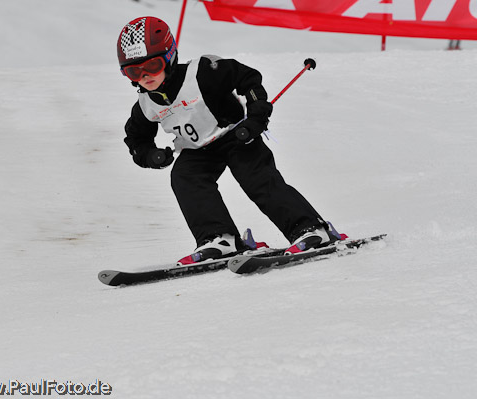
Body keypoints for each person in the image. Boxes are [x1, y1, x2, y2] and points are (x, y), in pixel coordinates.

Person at [117, 16, 344, 264]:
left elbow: (247, 78)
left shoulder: (202, 72)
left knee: (256, 177)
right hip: (197, 150)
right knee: (185, 178)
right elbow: (136, 139)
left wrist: (257, 114)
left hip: (236, 135)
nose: (145, 76)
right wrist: (151, 156)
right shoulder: (145, 104)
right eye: (134, 71)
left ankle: (310, 229)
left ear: (170, 56)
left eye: (152, 66)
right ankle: (219, 238)